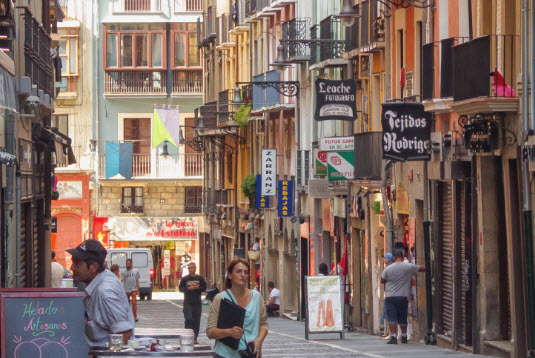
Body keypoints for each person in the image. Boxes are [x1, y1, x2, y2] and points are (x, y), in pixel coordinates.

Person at [66, 239, 134, 347]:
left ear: (93, 267)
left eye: (77, 264)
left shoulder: (105, 292)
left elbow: (124, 334)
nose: (72, 268)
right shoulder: (98, 281)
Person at [207, 258, 268, 358]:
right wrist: (229, 332)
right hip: (225, 354)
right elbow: (210, 332)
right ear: (230, 275)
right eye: (239, 271)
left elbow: (264, 324)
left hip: (250, 354)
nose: (243, 275)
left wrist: (259, 340)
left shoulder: (256, 297)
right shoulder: (221, 298)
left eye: (246, 272)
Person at [380, 250, 425, 344]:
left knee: (391, 317)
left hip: (390, 296)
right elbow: (421, 268)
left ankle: (393, 337)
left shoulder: (388, 268)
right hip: (403, 296)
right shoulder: (408, 267)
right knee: (402, 316)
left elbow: (382, 280)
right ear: (402, 257)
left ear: (394, 258)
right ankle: (404, 336)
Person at [179, 261, 207, 344]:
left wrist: (198, 288)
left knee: (196, 320)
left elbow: (204, 288)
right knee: (188, 319)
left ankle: (195, 337)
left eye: (192, 268)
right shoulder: (185, 279)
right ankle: (187, 336)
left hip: (197, 303)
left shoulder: (200, 278)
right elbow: (181, 289)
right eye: (189, 268)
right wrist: (188, 289)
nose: (191, 269)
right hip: (187, 302)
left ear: (195, 268)